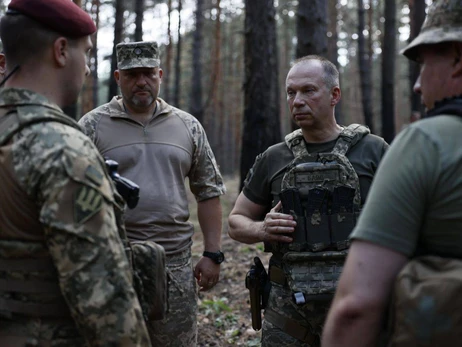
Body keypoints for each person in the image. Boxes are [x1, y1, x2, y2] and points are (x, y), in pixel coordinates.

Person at [0, 0, 150, 346]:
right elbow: (105, 302)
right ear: (62, 50)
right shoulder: (63, 150)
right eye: (87, 53)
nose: (86, 69)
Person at [322, 1, 462, 346]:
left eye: (425, 62)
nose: (417, 85)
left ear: (458, 59)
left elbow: (357, 307)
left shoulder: (428, 142)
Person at [228, 55, 388, 347]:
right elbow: (236, 222)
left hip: (358, 303)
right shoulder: (274, 157)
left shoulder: (374, 151)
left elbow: (406, 222)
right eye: (291, 92)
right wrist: (262, 229)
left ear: (334, 95)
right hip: (288, 311)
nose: (297, 101)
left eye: (308, 90)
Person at [79, 41, 226, 347]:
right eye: (133, 75)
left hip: (175, 264)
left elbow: (208, 192)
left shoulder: (188, 127)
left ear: (160, 75)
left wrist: (212, 253)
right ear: (118, 78)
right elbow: (73, 196)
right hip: (114, 262)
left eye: (148, 73)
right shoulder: (91, 126)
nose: (141, 81)